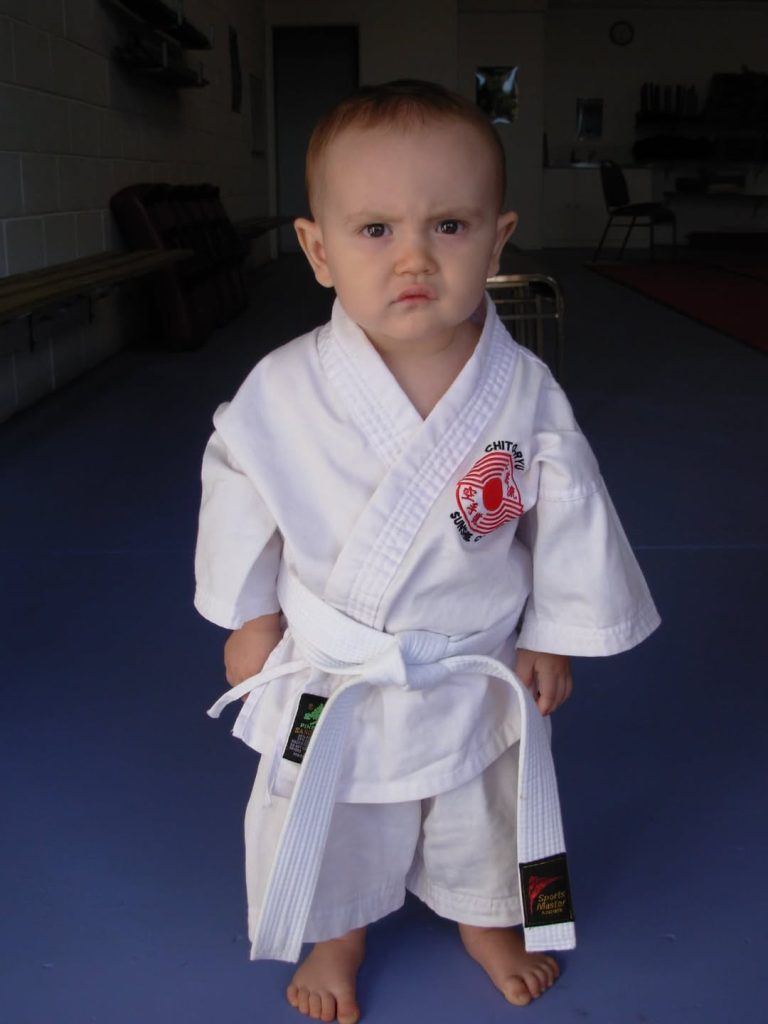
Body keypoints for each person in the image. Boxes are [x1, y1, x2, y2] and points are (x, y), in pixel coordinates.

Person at [194, 80, 660, 1024]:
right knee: (311, 801)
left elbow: (568, 509)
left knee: (491, 804)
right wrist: (250, 616)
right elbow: (237, 486)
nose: (413, 256)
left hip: (472, 661)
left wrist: (554, 629)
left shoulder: (523, 388)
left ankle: (490, 918)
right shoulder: (281, 388)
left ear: (498, 240)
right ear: (318, 250)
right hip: (328, 672)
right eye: (375, 230)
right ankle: (336, 935)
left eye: (449, 225)